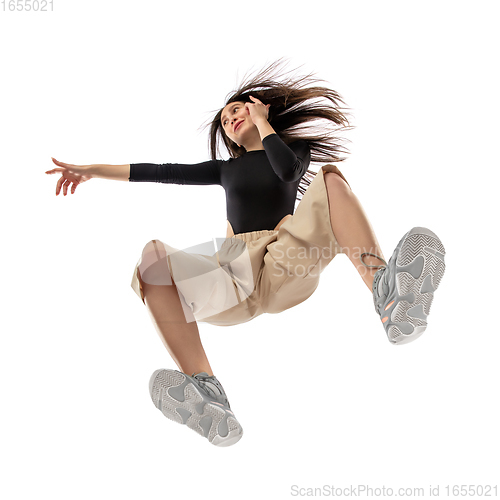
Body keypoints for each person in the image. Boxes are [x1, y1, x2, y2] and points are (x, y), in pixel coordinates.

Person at [45, 60, 446, 447]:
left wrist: (262, 122)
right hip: (233, 274)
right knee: (152, 258)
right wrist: (92, 170)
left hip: (286, 260)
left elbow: (288, 173)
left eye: (236, 110)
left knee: (330, 179)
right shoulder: (225, 169)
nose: (230, 120)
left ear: (258, 109)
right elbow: (162, 170)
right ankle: (207, 396)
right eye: (224, 121)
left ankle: (389, 295)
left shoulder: (292, 150)